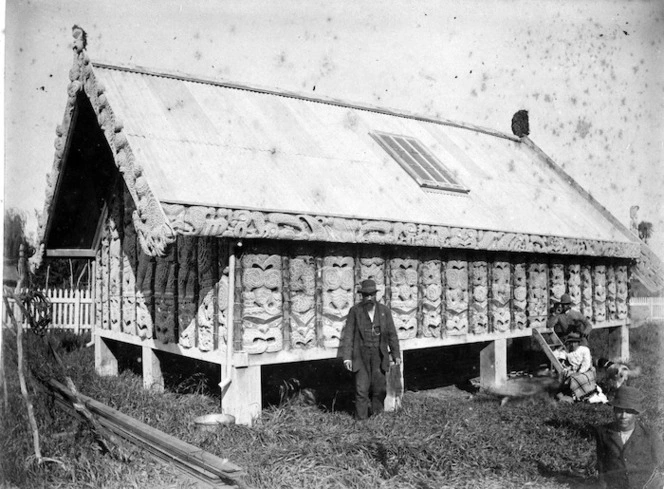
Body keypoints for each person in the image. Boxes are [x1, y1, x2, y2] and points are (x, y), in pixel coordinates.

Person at [341, 279, 401, 420]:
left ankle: (377, 418)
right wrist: (347, 357)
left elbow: (392, 334)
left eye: (371, 295)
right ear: (362, 296)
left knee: (379, 388)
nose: (368, 298)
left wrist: (396, 353)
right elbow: (348, 335)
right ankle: (361, 421)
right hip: (360, 355)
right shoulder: (355, 311)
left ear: (376, 295)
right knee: (361, 389)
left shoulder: (384, 311)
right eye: (365, 295)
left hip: (379, 355)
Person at [595, 386, 664, 489]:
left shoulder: (650, 436)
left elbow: (660, 464)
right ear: (614, 410)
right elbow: (602, 464)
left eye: (628, 411)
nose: (623, 416)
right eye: (619, 410)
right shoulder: (603, 433)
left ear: (636, 412)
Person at [559, 332, 597, 401]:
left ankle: (586, 393)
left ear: (578, 343)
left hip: (585, 369)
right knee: (571, 378)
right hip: (573, 370)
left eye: (574, 342)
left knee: (585, 376)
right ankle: (575, 394)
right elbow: (560, 358)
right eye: (571, 343)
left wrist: (580, 372)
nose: (573, 344)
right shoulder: (567, 352)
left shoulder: (584, 350)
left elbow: (586, 363)